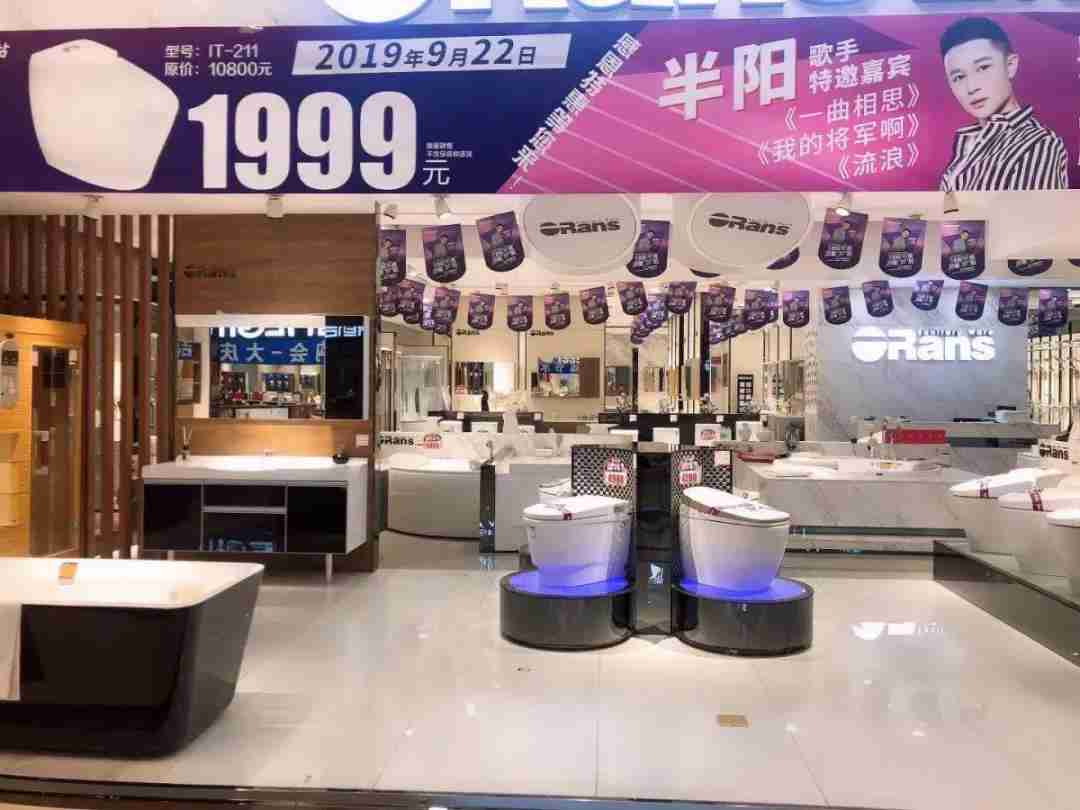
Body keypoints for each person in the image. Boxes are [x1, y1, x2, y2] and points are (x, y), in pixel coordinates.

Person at [940, 17, 1068, 191]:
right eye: (959, 77)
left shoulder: (1038, 144)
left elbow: (1034, 210)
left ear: (1010, 65)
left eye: (983, 68)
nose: (971, 87)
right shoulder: (967, 142)